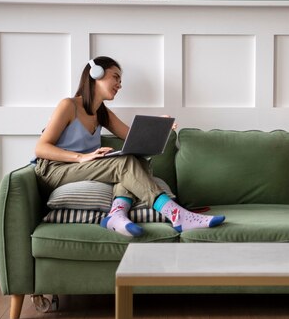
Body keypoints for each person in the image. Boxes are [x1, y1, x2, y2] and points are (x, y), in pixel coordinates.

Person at [34, 56, 225, 237]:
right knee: (123, 164)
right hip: (54, 169)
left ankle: (116, 215)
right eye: (115, 77)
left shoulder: (102, 113)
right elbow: (41, 148)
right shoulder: (68, 105)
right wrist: (81, 157)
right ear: (96, 74)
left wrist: (159, 125)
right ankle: (177, 215)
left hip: (80, 167)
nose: (120, 84)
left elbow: (131, 137)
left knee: (135, 158)